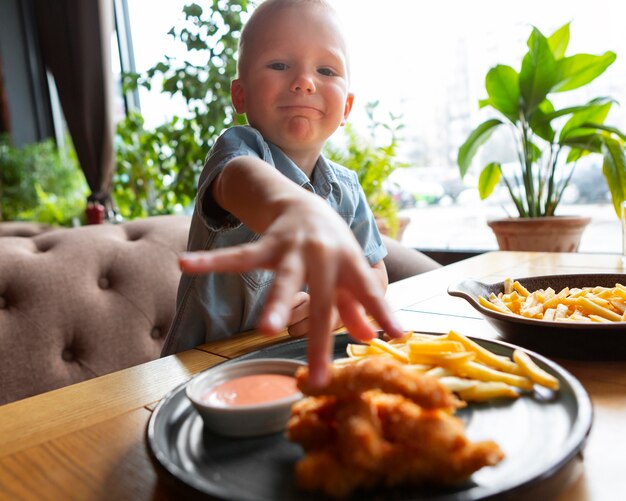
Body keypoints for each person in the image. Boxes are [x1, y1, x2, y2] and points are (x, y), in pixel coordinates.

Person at [161, 0, 404, 387]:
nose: (304, 81)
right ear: (240, 96)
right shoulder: (237, 150)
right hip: (200, 378)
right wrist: (290, 207)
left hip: (291, 371)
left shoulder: (347, 188)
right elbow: (237, 180)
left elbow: (376, 270)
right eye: (279, 65)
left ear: (347, 108)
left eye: (325, 69)